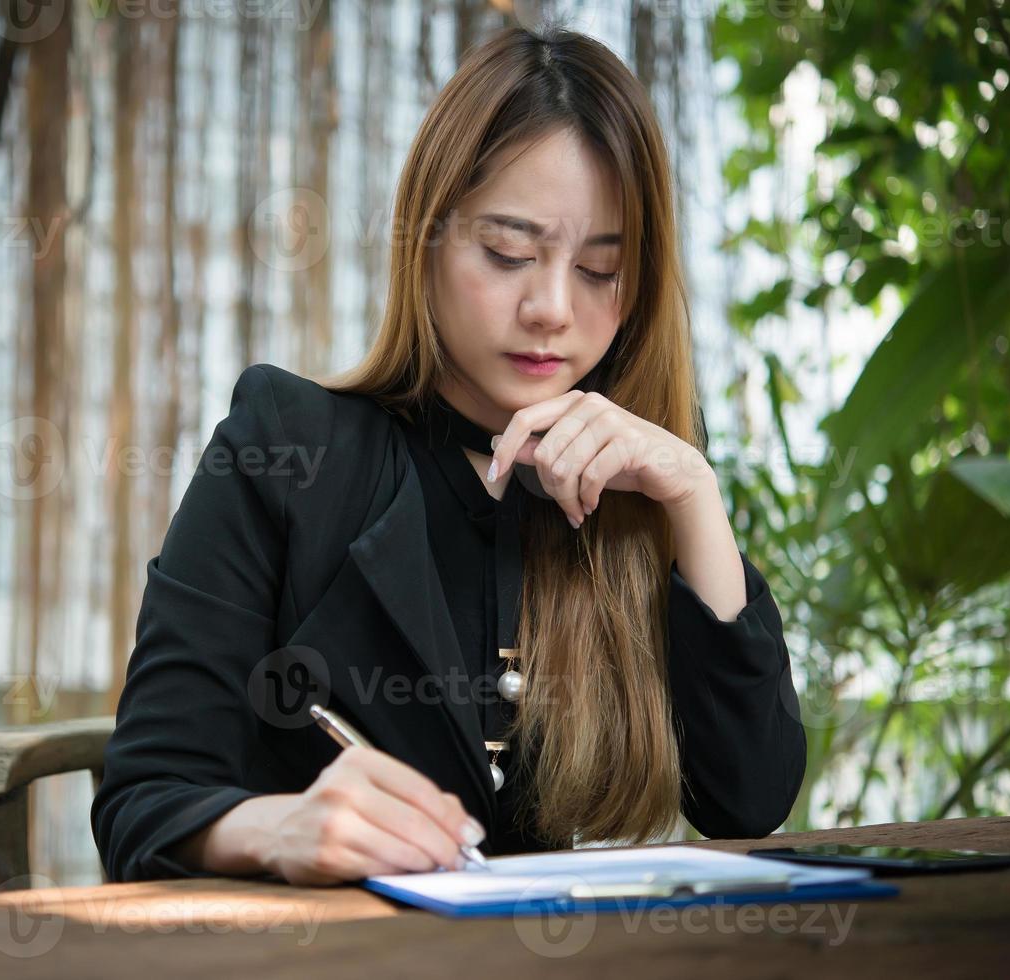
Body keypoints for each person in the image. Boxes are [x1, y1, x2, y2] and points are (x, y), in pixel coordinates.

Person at [91, 23, 806, 886]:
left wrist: (692, 493)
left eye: (597, 270)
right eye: (508, 253)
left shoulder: (627, 483)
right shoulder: (287, 445)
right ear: (424, 242)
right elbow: (143, 801)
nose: (549, 306)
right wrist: (278, 829)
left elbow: (748, 800)